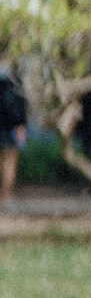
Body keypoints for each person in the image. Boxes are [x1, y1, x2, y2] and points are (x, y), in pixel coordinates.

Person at [0, 69, 26, 202]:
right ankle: (6, 194)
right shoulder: (14, 87)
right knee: (9, 163)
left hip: (5, 129)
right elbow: (16, 111)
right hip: (9, 131)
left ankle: (5, 194)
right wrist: (21, 124)